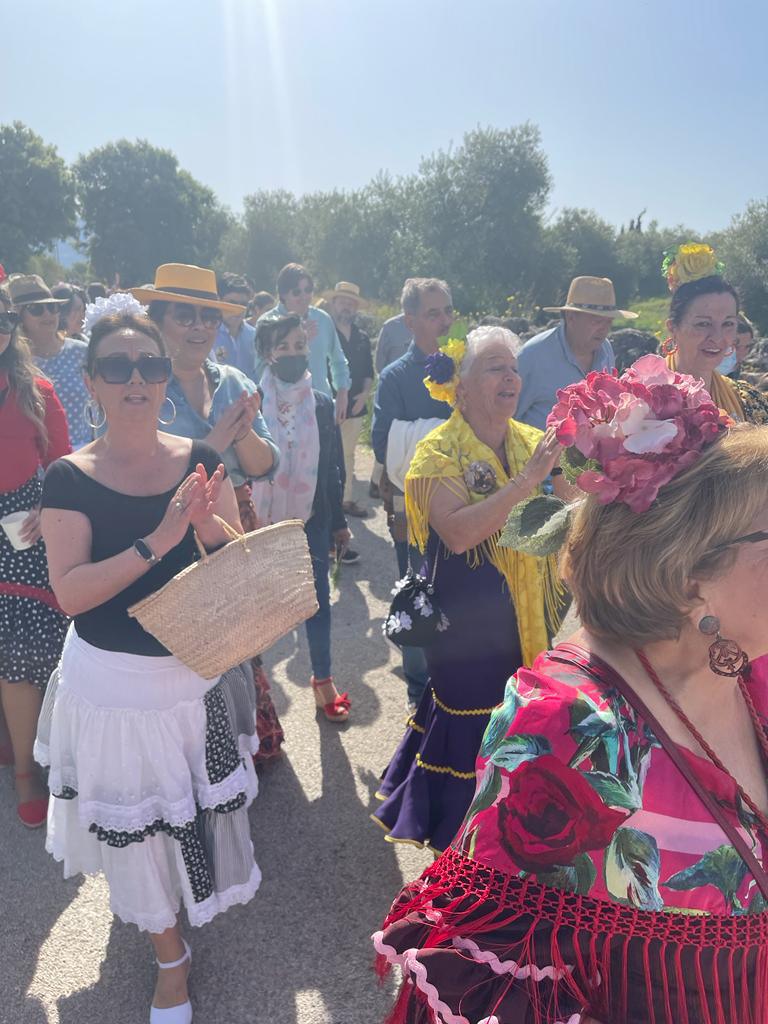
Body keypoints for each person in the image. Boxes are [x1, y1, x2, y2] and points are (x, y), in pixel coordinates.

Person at [374, 357, 768, 1024]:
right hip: (479, 624)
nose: (507, 382)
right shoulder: (568, 734)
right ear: (689, 570)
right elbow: (492, 993)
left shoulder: (748, 665)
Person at [35, 299, 261, 1023]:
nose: (137, 379)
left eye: (150, 366)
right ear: (92, 383)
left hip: (188, 677)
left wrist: (208, 528)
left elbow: (228, 562)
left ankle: (173, 910)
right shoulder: (68, 478)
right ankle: (171, 958)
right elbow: (69, 594)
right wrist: (162, 538)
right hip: (113, 686)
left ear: (166, 377)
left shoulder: (199, 460)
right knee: (138, 832)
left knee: (186, 811)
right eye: (117, 367)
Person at [372, 326, 567, 852]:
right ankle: (460, 852)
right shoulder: (437, 453)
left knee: (522, 727)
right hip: (463, 628)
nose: (510, 376)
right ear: (459, 388)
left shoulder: (532, 441)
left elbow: (574, 513)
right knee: (473, 729)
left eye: (513, 367)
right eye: (494, 367)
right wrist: (528, 482)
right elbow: (458, 534)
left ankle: (505, 848)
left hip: (529, 622)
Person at [134, 264, 283, 763]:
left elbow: (265, 466)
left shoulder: (233, 379)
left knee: (244, 634)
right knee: (191, 644)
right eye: (185, 316)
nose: (199, 328)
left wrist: (241, 434)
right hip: (174, 524)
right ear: (158, 321)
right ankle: (197, 754)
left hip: (236, 519)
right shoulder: (143, 386)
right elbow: (148, 476)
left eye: (207, 317)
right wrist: (217, 441)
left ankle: (248, 737)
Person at [251, 314, 352, 723]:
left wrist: (338, 521)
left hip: (309, 519)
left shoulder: (322, 403)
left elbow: (331, 470)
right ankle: (253, 687)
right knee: (256, 607)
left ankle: (323, 678)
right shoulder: (251, 400)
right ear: (266, 353)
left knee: (317, 602)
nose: (293, 354)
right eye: (283, 347)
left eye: (299, 346)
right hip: (260, 521)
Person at [0, 303, 70, 827]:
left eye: (2, 319)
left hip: (22, 535)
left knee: (23, 654)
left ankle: (28, 769)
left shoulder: (37, 391)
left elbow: (66, 466)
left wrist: (49, 509)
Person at [371, 278, 455, 710]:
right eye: (432, 313)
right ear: (409, 321)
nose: (444, 321)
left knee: (463, 591)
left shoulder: (465, 367)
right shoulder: (395, 377)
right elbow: (383, 439)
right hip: (415, 508)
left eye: (447, 311)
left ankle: (457, 684)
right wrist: (448, 437)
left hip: (466, 504)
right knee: (417, 595)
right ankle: (418, 694)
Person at [661, 243, 768, 424]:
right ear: (673, 328)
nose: (717, 337)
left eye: (728, 324)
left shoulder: (748, 402)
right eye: (703, 324)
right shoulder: (640, 399)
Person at [516, 275, 637, 430]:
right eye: (597, 321)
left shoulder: (605, 349)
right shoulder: (533, 356)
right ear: (571, 317)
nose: (604, 329)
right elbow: (504, 417)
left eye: (609, 322)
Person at [259, 263, 351, 423]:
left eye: (308, 290)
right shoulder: (267, 323)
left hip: (320, 407)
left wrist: (343, 392)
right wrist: (299, 342)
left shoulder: (323, 320)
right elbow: (259, 370)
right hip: (281, 412)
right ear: (283, 295)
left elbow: (338, 361)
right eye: (296, 292)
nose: (304, 296)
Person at [8, 274, 91, 449]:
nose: (47, 314)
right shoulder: (11, 361)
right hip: (33, 461)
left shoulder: (81, 351)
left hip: (82, 453)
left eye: (52, 307)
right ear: (18, 317)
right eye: (36, 309)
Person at [329, 281, 374, 518]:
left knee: (348, 454)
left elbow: (368, 372)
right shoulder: (324, 334)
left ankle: (345, 501)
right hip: (328, 405)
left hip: (355, 406)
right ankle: (328, 503)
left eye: (351, 303)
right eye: (343, 301)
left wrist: (364, 395)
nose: (347, 306)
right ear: (333, 303)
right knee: (326, 454)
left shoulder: (362, 337)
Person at [370, 311, 414, 499]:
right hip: (394, 394)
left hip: (423, 393)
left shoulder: (437, 324)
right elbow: (380, 362)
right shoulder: (390, 326)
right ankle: (382, 481)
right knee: (390, 438)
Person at [212, 272, 258, 381]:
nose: (237, 309)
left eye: (243, 304)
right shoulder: (209, 335)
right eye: (231, 303)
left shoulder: (254, 336)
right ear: (218, 301)